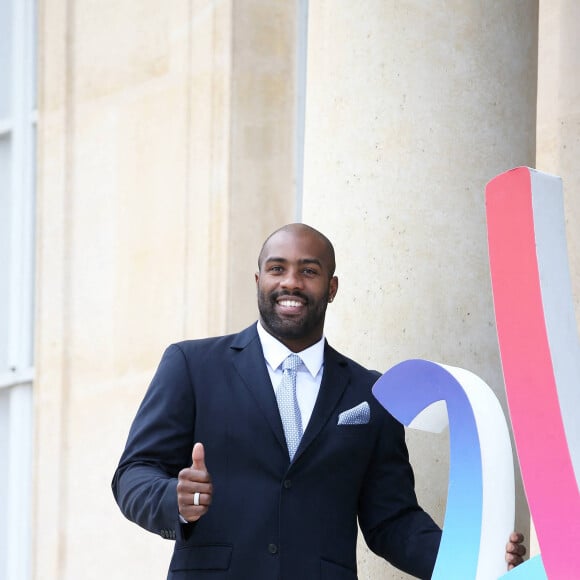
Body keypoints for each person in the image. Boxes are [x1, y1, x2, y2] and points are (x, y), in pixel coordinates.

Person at [112, 223, 526, 579]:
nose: (290, 282)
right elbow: (133, 474)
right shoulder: (192, 366)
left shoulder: (370, 394)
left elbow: (393, 521)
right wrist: (175, 499)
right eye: (277, 269)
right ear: (258, 281)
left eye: (308, 271)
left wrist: (473, 562)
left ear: (331, 288)